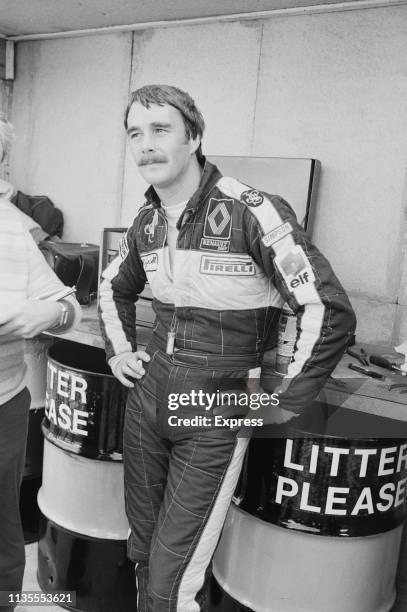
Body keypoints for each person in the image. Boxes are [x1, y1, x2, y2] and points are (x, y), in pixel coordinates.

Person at [98, 84, 356, 611]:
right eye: (135, 133)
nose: (145, 144)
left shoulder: (250, 209)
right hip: (147, 402)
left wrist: (281, 399)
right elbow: (110, 288)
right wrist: (119, 352)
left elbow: (327, 310)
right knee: (143, 554)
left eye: (161, 129)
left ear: (193, 136)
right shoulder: (146, 221)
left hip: (214, 410)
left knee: (172, 584)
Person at [0, 115, 81, 612]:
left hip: (5, 403)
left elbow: (68, 307)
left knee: (4, 523)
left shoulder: (13, 228)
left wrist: (49, 311)